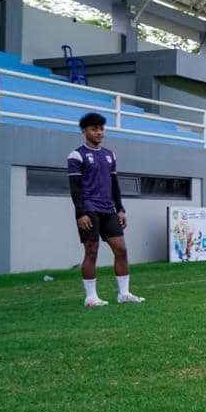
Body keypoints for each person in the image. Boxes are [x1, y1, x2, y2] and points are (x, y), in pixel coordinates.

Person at [68, 112, 144, 306]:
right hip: (89, 208)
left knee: (121, 249)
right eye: (94, 129)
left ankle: (124, 294)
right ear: (84, 131)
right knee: (91, 251)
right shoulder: (77, 155)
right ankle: (91, 297)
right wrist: (81, 213)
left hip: (109, 209)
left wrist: (120, 209)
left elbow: (114, 184)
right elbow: (75, 188)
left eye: (101, 128)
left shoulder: (110, 155)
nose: (99, 132)